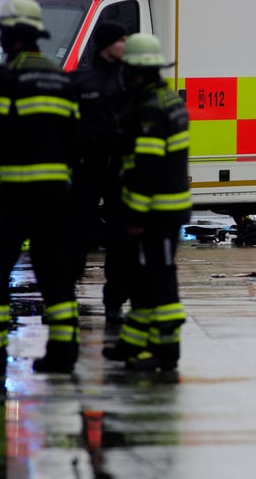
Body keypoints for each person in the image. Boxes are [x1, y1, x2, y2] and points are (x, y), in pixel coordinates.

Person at [0, 0, 81, 376]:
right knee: (55, 273)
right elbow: (74, 140)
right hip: (56, 197)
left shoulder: (7, 78)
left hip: (14, 196)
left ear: (10, 34)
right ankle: (63, 352)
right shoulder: (59, 77)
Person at [103, 33, 190, 372]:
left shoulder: (150, 110)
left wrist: (136, 214)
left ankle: (166, 350)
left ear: (137, 71)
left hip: (155, 212)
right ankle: (135, 344)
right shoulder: (170, 101)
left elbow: (147, 169)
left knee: (157, 276)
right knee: (144, 277)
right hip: (166, 208)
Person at [69, 20, 132, 323]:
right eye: (122, 39)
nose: (126, 44)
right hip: (86, 169)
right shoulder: (81, 80)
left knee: (120, 240)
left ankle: (114, 303)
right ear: (108, 43)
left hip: (119, 172)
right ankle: (67, 293)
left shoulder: (128, 78)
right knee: (77, 234)